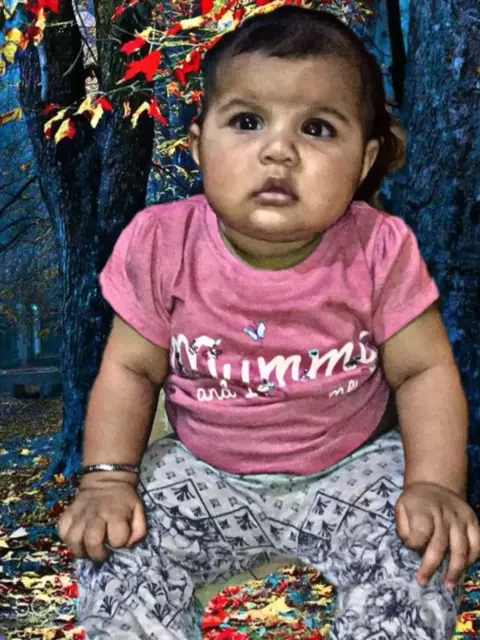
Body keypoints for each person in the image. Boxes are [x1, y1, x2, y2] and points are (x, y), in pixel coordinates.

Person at [58, 6, 480, 639]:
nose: (279, 150)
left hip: (352, 471)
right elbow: (130, 369)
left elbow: (422, 371)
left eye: (317, 128)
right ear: (198, 144)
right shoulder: (161, 242)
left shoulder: (379, 248)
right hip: (201, 473)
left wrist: (434, 484)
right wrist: (108, 478)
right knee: (114, 542)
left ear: (363, 161)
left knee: (421, 549)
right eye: (247, 121)